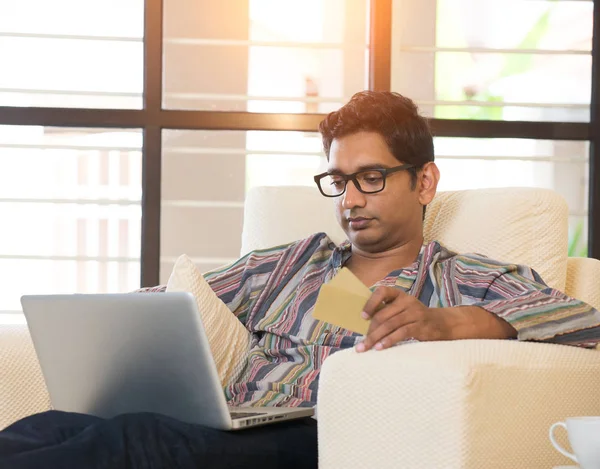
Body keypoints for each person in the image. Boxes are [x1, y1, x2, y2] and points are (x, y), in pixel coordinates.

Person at [1, 91, 599, 469]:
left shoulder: (464, 277)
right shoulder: (292, 264)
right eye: (339, 181)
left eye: (371, 177)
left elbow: (587, 323)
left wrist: (453, 322)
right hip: (230, 421)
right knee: (48, 429)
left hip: (315, 438)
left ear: (423, 183)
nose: (350, 199)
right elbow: (173, 309)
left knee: (129, 443)